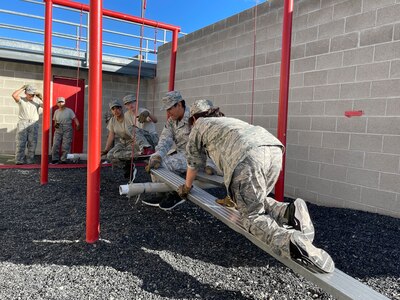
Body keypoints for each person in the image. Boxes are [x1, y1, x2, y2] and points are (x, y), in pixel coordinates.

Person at [176, 99, 334, 274]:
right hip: (273, 149)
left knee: (251, 216)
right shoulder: (227, 122)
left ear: (194, 118)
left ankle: (292, 242)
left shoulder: (200, 125)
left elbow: (193, 163)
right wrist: (233, 197)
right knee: (255, 199)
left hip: (247, 156)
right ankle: (290, 211)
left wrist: (187, 186)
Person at [144, 91, 221, 211]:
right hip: (182, 154)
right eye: (166, 110)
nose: (168, 112)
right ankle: (161, 193)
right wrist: (158, 155)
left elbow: (209, 142)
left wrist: (210, 164)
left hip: (197, 158)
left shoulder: (195, 116)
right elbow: (165, 139)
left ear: (179, 104)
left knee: (166, 164)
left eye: (170, 109)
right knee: (154, 159)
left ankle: (176, 194)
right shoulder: (171, 121)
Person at [101, 100, 154, 177]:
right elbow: (111, 136)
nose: (116, 110)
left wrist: (147, 117)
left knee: (119, 154)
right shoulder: (112, 120)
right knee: (110, 155)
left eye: (118, 108)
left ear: (121, 108)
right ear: (111, 111)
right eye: (113, 109)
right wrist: (106, 149)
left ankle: (140, 154)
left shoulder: (128, 116)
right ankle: (127, 166)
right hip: (123, 142)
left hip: (133, 141)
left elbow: (140, 126)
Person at [11, 84, 43, 165]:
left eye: (33, 94)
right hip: (23, 123)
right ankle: (19, 161)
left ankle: (30, 161)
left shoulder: (37, 101)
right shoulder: (22, 100)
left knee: (32, 143)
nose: (31, 96)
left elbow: (46, 107)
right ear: (26, 93)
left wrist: (41, 98)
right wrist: (22, 88)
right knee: (21, 143)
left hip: (33, 123)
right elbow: (14, 95)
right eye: (29, 94)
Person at [51, 97, 80, 164]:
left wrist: (78, 125)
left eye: (62, 102)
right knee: (55, 145)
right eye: (59, 102)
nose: (61, 103)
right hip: (58, 129)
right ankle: (55, 159)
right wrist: (56, 127)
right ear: (57, 103)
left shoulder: (69, 110)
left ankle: (64, 159)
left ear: (64, 102)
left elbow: (75, 118)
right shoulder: (56, 111)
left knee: (66, 145)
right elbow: (55, 121)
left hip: (67, 128)